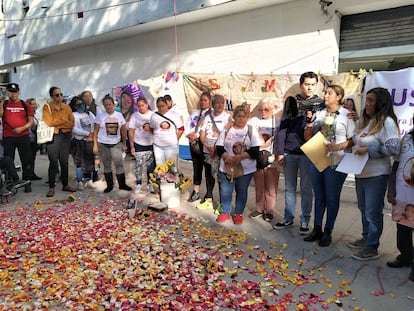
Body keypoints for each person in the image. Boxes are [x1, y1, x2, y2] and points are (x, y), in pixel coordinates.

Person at [345, 87, 400, 260]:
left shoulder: (387, 122)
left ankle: (372, 247)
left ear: (380, 103)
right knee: (363, 208)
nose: (367, 104)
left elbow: (393, 148)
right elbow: (356, 141)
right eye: (366, 100)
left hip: (377, 174)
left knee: (373, 211)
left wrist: (369, 149)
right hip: (360, 172)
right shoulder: (367, 121)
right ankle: (366, 237)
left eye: (371, 100)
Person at [303, 84, 356, 247]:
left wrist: (339, 146)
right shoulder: (319, 114)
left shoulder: (347, 115)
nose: (326, 96)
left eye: (330, 93)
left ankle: (328, 230)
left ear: (339, 97)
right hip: (318, 158)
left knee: (332, 197)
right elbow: (308, 136)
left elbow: (354, 140)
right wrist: (310, 123)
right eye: (325, 93)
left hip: (336, 162)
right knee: (319, 196)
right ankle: (317, 228)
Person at [275, 71, 320, 233]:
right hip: (289, 151)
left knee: (307, 188)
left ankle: (305, 221)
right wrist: (280, 152)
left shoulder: (320, 103)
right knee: (289, 187)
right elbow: (282, 128)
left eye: (313, 84)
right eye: (306, 84)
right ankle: (288, 218)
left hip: (309, 153)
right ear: (301, 85)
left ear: (316, 85)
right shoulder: (292, 102)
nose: (309, 87)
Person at [215, 105, 260, 225]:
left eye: (244, 116)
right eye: (239, 116)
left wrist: (240, 157)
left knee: (242, 190)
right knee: (226, 190)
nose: (241, 119)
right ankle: (225, 212)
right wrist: (227, 157)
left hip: (246, 168)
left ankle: (238, 213)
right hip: (227, 166)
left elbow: (255, 150)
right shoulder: (227, 129)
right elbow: (219, 147)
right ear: (234, 117)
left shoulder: (251, 130)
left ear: (248, 117)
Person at [386, 116, 414, 281]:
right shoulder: (407, 138)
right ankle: (405, 256)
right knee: (403, 228)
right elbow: (397, 164)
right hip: (404, 192)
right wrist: (391, 189)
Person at [249, 97, 281, 222]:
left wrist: (277, 154)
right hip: (257, 157)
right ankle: (259, 208)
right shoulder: (253, 121)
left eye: (266, 109)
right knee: (259, 185)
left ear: (273, 109)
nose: (263, 112)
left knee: (271, 186)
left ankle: (269, 211)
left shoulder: (277, 122)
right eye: (261, 109)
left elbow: (281, 140)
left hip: (272, 157)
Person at [198, 94, 232, 210]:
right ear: (213, 105)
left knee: (221, 178)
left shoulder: (228, 118)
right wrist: (208, 147)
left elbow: (229, 135)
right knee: (208, 176)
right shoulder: (207, 117)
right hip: (208, 151)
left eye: (222, 103)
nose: (220, 105)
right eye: (217, 103)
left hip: (220, 152)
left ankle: (222, 204)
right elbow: (202, 135)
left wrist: (217, 149)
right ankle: (208, 198)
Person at [93, 94, 132, 193]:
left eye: (109, 104)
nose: (108, 106)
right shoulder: (100, 116)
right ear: (103, 105)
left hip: (116, 143)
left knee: (119, 164)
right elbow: (95, 131)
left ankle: (122, 184)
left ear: (113, 105)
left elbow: (123, 131)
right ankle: (109, 185)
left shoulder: (119, 116)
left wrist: (124, 144)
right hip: (103, 143)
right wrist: (95, 145)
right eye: (106, 105)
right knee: (107, 165)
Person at [42, 86, 76, 197]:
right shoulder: (47, 107)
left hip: (65, 135)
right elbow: (48, 122)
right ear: (52, 96)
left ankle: (65, 184)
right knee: (53, 162)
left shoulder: (67, 107)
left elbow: (71, 122)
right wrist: (62, 121)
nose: (60, 96)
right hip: (54, 136)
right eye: (57, 95)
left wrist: (59, 123)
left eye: (61, 94)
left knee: (64, 161)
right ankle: (51, 187)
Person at [0, 83, 34, 193]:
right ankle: (10, 183)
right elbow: (1, 115)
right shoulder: (4, 104)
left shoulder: (24, 104)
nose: (13, 94)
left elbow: (31, 121)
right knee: (9, 159)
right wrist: (1, 102)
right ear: (7, 92)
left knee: (26, 160)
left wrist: (22, 128)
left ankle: (26, 182)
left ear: (18, 92)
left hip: (23, 136)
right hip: (8, 137)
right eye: (10, 91)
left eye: (15, 91)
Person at [185, 91, 212, 203]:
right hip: (194, 143)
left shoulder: (212, 114)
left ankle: (209, 195)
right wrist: (189, 134)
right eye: (201, 100)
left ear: (210, 101)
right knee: (197, 168)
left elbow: (208, 128)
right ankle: (195, 192)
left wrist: (196, 135)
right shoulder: (195, 112)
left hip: (205, 144)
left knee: (208, 170)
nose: (203, 102)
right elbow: (188, 124)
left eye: (205, 100)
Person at [129, 96, 154, 192]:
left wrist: (150, 129)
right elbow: (131, 131)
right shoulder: (134, 116)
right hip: (139, 143)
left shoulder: (153, 115)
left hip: (151, 143)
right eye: (139, 106)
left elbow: (157, 129)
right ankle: (139, 183)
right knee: (139, 165)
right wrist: (131, 146)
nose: (141, 108)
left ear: (147, 105)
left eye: (143, 105)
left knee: (150, 166)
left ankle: (150, 184)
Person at [150, 96, 184, 166]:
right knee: (160, 166)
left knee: (171, 166)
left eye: (163, 106)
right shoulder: (154, 115)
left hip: (171, 145)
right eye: (159, 107)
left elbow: (181, 129)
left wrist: (175, 139)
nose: (161, 108)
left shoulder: (174, 115)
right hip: (157, 145)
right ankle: (161, 177)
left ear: (167, 105)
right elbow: (151, 128)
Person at [71, 97, 96, 190]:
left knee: (89, 160)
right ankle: (79, 181)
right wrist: (87, 133)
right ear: (75, 106)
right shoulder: (73, 115)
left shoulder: (89, 114)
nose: (81, 105)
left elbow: (95, 124)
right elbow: (74, 129)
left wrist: (92, 135)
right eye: (78, 104)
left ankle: (89, 180)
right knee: (79, 161)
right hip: (78, 141)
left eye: (82, 103)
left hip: (89, 140)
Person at [27, 98, 42, 180]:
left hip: (35, 139)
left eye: (35, 104)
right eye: (32, 104)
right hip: (28, 139)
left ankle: (32, 173)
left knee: (32, 157)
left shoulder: (37, 114)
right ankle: (27, 175)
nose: (34, 105)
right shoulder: (27, 115)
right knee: (28, 158)